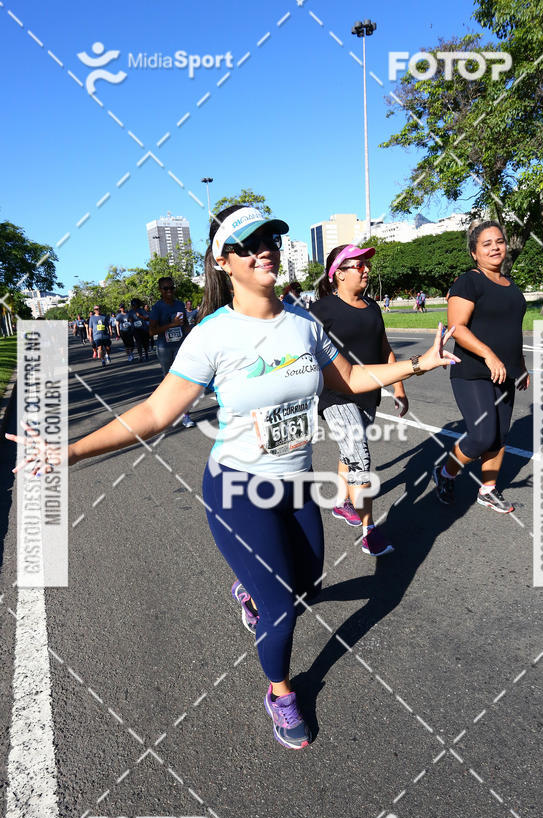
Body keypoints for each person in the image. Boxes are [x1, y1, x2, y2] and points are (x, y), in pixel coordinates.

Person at [11, 205, 458, 751]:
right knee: (283, 611)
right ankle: (281, 692)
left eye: (270, 237)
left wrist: (417, 365)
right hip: (237, 487)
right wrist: (74, 451)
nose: (264, 248)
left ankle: (250, 587)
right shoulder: (212, 336)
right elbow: (156, 413)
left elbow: (350, 379)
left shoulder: (304, 323)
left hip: (294, 483)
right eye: (248, 244)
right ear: (225, 263)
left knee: (309, 582)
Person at [311, 244, 409, 557]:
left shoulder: (372, 307)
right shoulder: (321, 311)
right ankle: (369, 529)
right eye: (358, 265)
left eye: (366, 264)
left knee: (350, 451)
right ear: (337, 274)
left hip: (369, 393)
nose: (365, 269)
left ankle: (342, 502)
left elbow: (385, 350)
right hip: (335, 395)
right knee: (360, 455)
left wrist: (400, 388)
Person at [432, 220, 529, 513]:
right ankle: (446, 472)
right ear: (474, 252)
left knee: (499, 436)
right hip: (473, 371)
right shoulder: (469, 281)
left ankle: (487, 490)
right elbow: (457, 328)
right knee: (482, 435)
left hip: (505, 372)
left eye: (499, 241)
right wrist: (489, 355)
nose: (495, 248)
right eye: (487, 244)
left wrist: (520, 365)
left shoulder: (511, 286)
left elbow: (513, 329)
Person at [149, 277, 194, 428]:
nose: (169, 291)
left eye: (171, 288)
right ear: (160, 291)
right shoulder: (157, 308)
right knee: (169, 381)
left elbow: (185, 326)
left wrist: (195, 330)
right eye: (165, 289)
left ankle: (186, 415)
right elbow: (152, 331)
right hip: (165, 348)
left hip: (181, 346)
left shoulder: (180, 304)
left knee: (185, 380)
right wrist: (171, 325)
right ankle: (168, 411)